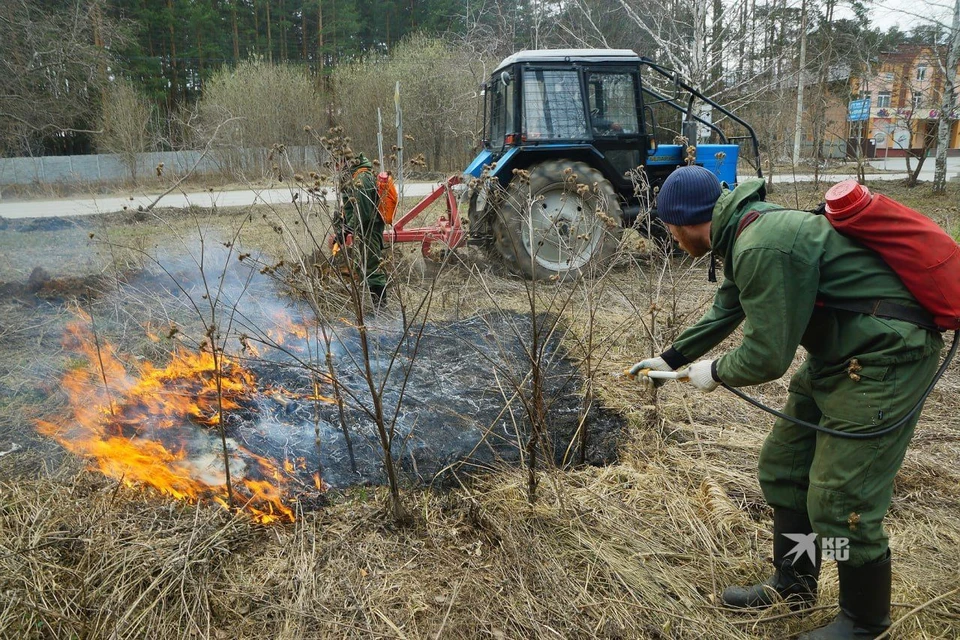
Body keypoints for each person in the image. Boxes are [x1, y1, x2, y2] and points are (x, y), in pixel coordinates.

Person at [630, 165, 942, 640]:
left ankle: (863, 621)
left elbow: (767, 356)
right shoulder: (745, 231)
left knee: (841, 500)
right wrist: (673, 356)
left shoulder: (760, 244)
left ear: (686, 220)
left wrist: (712, 372)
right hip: (841, 354)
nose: (671, 240)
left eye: (670, 230)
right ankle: (796, 581)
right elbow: (729, 306)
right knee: (786, 468)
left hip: (886, 357)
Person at [338, 153, 387, 308]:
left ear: (345, 162)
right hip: (362, 230)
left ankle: (381, 311)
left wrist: (347, 229)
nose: (336, 169)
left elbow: (362, 210)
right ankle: (374, 307)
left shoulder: (362, 178)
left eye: (337, 165)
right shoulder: (353, 176)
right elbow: (351, 207)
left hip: (370, 229)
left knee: (372, 268)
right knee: (363, 267)